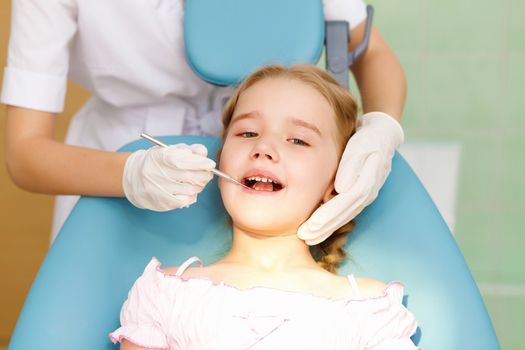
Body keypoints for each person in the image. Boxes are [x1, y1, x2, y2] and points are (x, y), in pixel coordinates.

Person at [2, 0, 405, 243]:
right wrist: (131, 173)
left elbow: (370, 53)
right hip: (113, 161)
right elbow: (24, 154)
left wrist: (382, 128)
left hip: (254, 163)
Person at [109, 64, 417, 350]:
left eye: (298, 140)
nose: (263, 148)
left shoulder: (370, 309)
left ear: (337, 182)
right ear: (219, 161)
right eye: (248, 133)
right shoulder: (165, 294)